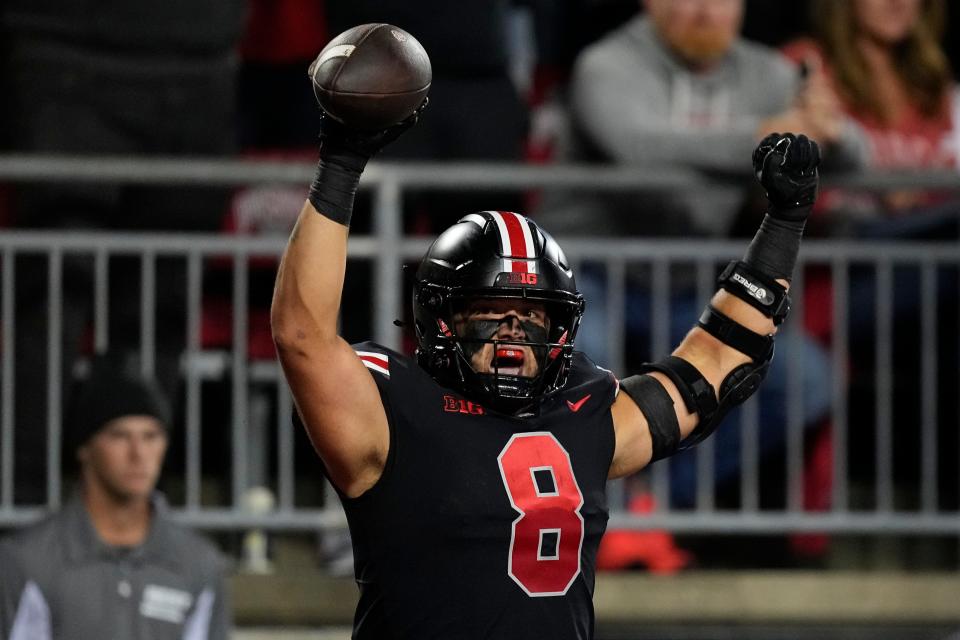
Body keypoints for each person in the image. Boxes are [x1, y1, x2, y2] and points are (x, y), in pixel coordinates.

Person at [270, 59, 821, 635]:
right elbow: (302, 336)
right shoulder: (393, 407)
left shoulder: (583, 408)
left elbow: (715, 369)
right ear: (440, 317)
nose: (513, 328)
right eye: (490, 310)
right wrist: (340, 163)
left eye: (533, 314)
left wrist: (783, 224)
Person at [0, 356, 231, 640]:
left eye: (151, 436)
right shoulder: (27, 559)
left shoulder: (199, 563)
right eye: (120, 435)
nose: (139, 454)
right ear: (85, 448)